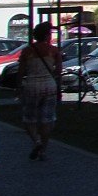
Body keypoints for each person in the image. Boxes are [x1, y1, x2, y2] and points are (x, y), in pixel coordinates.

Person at [17, 22, 62, 161]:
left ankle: (36, 141)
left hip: (31, 86)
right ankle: (43, 150)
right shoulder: (54, 50)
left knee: (29, 119)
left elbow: (21, 71)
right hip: (49, 85)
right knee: (47, 119)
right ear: (47, 35)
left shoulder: (27, 51)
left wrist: (18, 87)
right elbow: (59, 71)